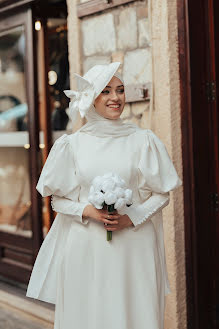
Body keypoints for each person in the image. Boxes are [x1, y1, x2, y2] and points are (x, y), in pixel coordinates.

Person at [26, 62, 182, 329]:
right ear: (91, 98)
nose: (115, 98)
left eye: (120, 90)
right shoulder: (72, 145)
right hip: (87, 245)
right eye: (106, 91)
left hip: (134, 245)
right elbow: (57, 199)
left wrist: (130, 218)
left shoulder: (143, 140)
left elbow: (162, 193)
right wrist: (88, 211)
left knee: (134, 311)